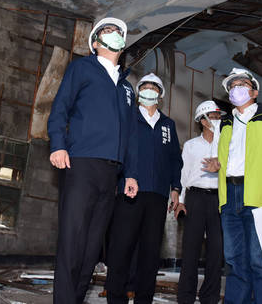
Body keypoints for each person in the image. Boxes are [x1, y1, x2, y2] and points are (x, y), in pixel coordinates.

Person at [48, 17, 139, 304]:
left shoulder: (126, 87)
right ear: (96, 43)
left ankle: (75, 299)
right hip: (81, 163)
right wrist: (58, 145)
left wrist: (131, 174)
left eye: (118, 33)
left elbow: (131, 135)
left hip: (111, 172)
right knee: (72, 240)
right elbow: (60, 108)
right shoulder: (81, 69)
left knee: (91, 247)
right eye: (108, 32)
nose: (115, 35)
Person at [205, 68, 262, 304]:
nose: (236, 88)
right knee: (235, 259)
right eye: (232, 85)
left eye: (242, 84)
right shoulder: (224, 122)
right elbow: (220, 157)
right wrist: (215, 164)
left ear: (254, 91)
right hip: (229, 195)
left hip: (261, 194)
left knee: (260, 258)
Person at [105, 73, 182, 304]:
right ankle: (116, 298)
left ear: (160, 94)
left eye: (153, 87)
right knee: (121, 249)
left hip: (157, 195)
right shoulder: (128, 117)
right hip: (130, 193)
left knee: (150, 253)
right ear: (139, 92)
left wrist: (175, 188)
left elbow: (174, 161)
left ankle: (143, 299)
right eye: (145, 87)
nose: (149, 90)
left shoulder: (168, 125)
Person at [175, 100, 225, 304]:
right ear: (202, 121)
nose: (217, 120)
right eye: (213, 117)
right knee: (191, 249)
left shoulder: (227, 145)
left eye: (218, 116)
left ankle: (210, 297)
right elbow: (183, 175)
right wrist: (180, 201)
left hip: (218, 199)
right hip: (194, 198)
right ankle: (185, 297)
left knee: (216, 250)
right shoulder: (191, 146)